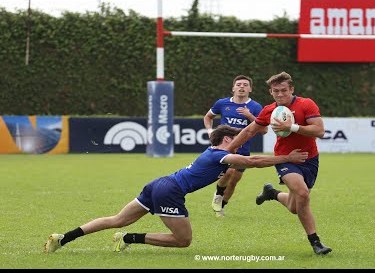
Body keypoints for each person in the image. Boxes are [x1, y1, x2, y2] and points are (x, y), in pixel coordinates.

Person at [44, 124, 307, 254]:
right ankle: (128, 238)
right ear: (226, 140)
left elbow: (242, 162)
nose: (238, 142)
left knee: (116, 219)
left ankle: (62, 238)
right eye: (234, 139)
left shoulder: (213, 152)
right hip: (169, 191)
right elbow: (251, 161)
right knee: (184, 241)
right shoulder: (219, 155)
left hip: (159, 183)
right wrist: (287, 158)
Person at [225, 71, 332, 255]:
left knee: (294, 207)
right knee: (302, 194)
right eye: (276, 91)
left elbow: (319, 131)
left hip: (309, 159)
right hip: (286, 158)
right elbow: (249, 131)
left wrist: (291, 127)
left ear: (292, 89)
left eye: (284, 90)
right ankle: (316, 243)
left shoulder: (306, 104)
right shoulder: (269, 110)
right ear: (271, 92)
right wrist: (228, 150)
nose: (280, 94)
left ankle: (272, 193)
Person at [204, 75, 263, 217]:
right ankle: (218, 193)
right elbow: (208, 117)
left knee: (234, 181)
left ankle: (221, 206)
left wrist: (250, 116)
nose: (241, 87)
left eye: (245, 84)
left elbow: (264, 130)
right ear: (233, 88)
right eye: (238, 84)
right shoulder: (222, 103)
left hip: (243, 149)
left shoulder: (255, 107)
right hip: (225, 148)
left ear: (250, 89)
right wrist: (210, 131)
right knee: (228, 172)